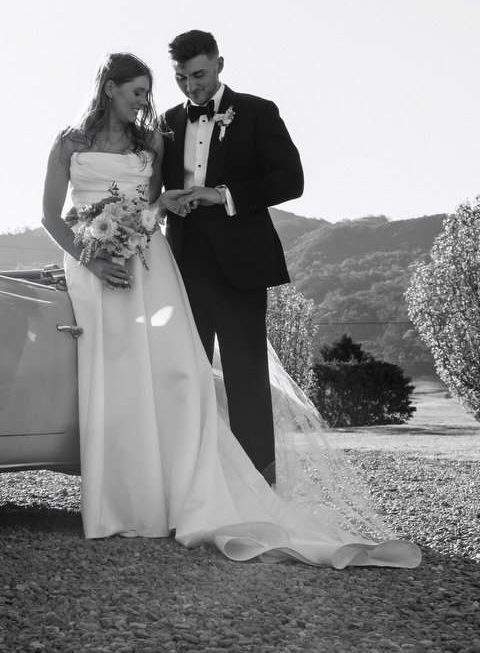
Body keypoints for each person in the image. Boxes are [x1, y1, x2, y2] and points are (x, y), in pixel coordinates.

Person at [41, 52, 418, 567]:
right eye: (142, 90)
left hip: (173, 265)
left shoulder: (178, 132)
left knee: (199, 377)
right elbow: (54, 212)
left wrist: (195, 203)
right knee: (118, 376)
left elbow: (166, 204)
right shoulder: (105, 137)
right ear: (109, 88)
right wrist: (94, 252)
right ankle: (120, 499)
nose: (153, 99)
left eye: (178, 81)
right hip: (108, 265)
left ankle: (229, 489)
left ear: (217, 65)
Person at [160, 29, 300, 483]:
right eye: (181, 78)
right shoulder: (167, 121)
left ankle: (259, 484)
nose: (191, 87)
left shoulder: (259, 112)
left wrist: (222, 195)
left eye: (198, 75)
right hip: (181, 266)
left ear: (220, 64)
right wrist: (173, 200)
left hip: (241, 266)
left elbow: (290, 180)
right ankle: (193, 481)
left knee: (247, 380)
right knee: (187, 376)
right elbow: (160, 186)